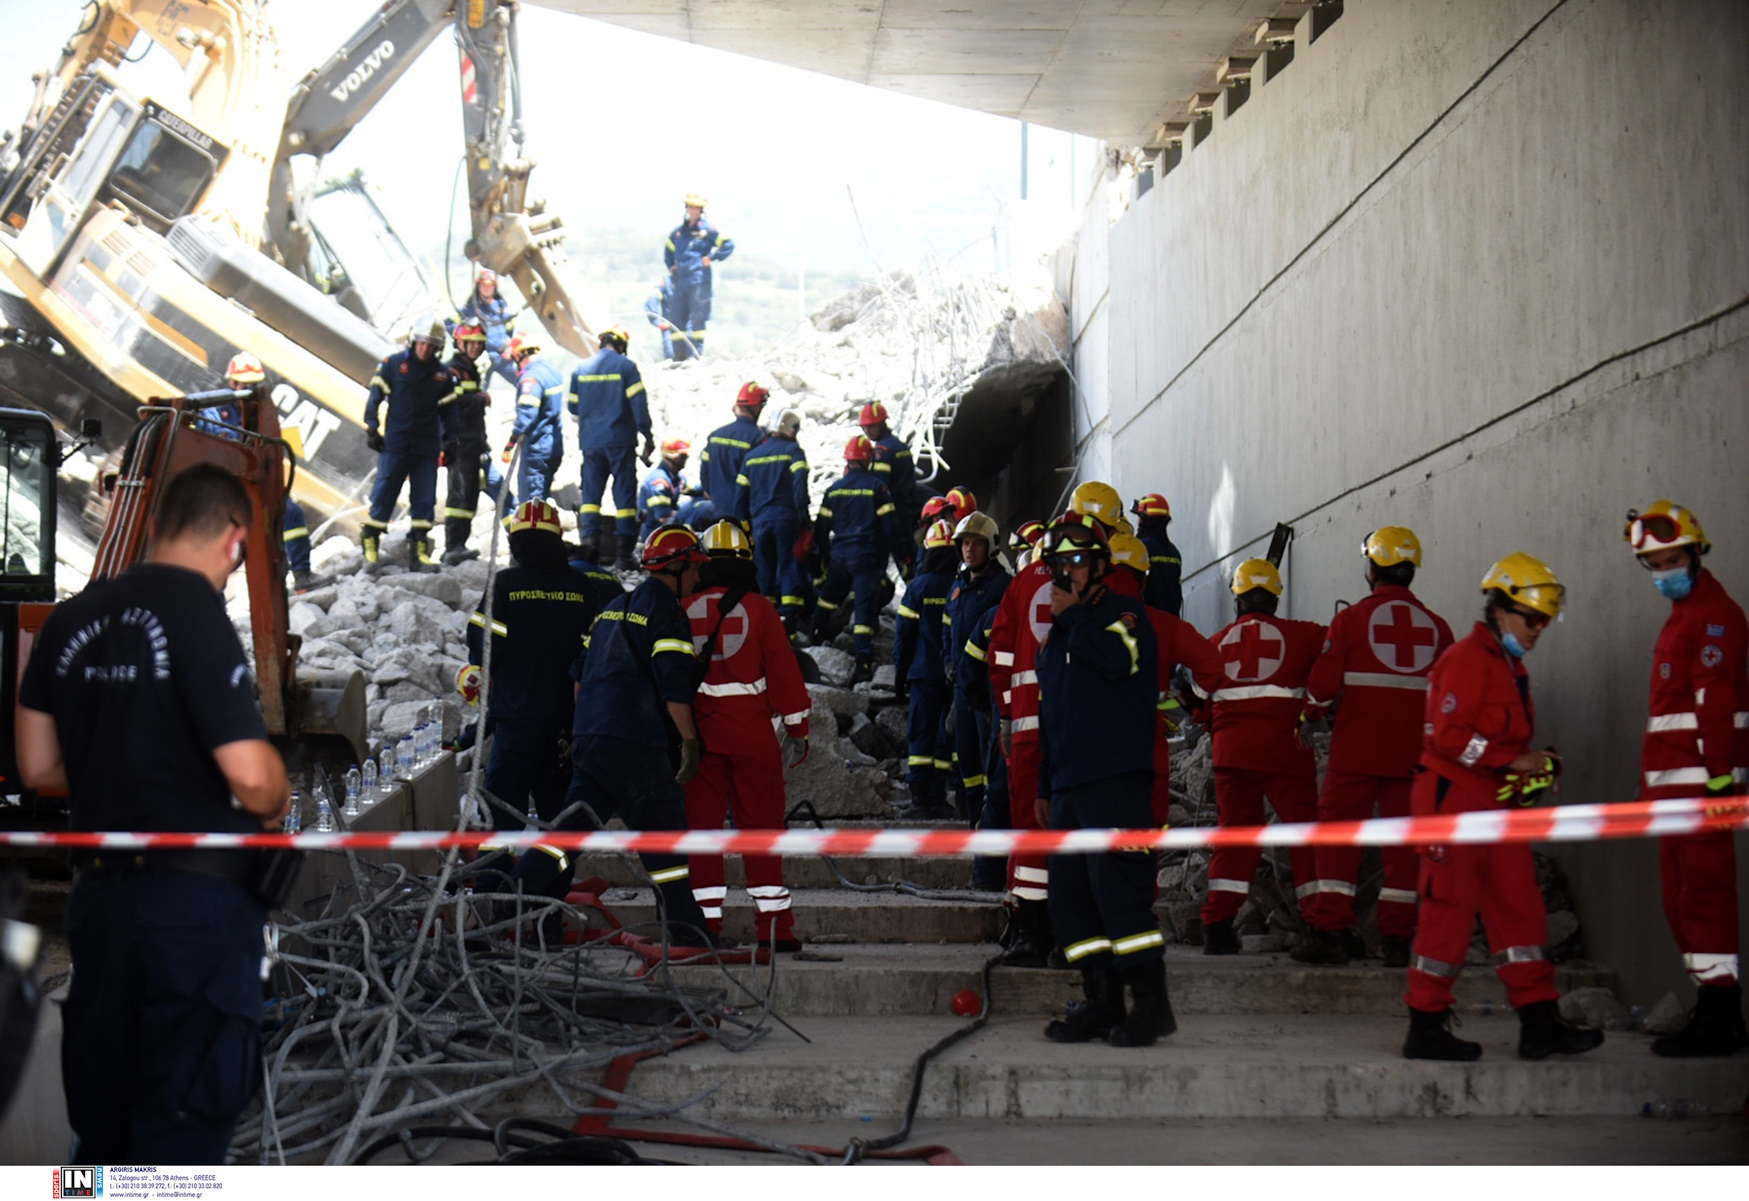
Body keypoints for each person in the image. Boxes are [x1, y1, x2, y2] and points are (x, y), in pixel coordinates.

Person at [16, 463, 292, 1162]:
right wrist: (273, 791)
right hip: (193, 915)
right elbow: (255, 782)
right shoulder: (197, 616)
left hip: (101, 902)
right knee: (178, 1130)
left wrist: (129, 752)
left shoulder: (70, 619)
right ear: (233, 539)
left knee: (103, 1129)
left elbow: (38, 767)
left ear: (159, 523)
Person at [1402, 553, 1604, 1062]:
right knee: (1447, 915)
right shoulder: (1467, 660)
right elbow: (1450, 739)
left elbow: (1492, 745)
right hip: (1453, 804)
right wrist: (1511, 761)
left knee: (1521, 911)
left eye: (1545, 621)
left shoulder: (1506, 665)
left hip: (1491, 805)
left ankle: (1539, 1023)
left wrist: (1528, 769)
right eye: (1532, 619)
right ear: (1501, 609)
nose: (1539, 630)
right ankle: (1425, 1027)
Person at [507, 525, 719, 947]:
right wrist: (690, 743)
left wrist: (586, 727)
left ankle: (506, 894)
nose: (698, 578)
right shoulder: (669, 614)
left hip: (592, 739)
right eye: (694, 569)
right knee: (665, 837)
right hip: (636, 743)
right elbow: (674, 687)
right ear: (676, 567)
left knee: (567, 835)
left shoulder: (611, 609)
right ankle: (686, 930)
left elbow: (579, 680)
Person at [1033, 511, 1173, 1047]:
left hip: (1115, 780)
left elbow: (1118, 662)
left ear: (1097, 566)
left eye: (1075, 562)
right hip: (1070, 785)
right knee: (1072, 901)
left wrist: (1072, 621)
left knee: (1121, 895)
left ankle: (1151, 1005)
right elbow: (1054, 712)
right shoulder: (1059, 636)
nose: (1065, 573)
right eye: (1057, 564)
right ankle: (1102, 1001)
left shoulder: (1124, 614)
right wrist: (1047, 782)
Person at [1293, 527, 1454, 968]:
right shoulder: (1439, 628)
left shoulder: (1351, 621)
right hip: (1414, 756)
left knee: (1338, 836)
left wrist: (1310, 715)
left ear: (1372, 568)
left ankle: (1329, 932)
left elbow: (1323, 685)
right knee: (1405, 844)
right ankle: (1398, 939)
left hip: (1356, 752)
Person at [1623, 501, 1748, 1056]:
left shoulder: (1715, 615)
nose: (1662, 571)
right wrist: (1649, 788)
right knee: (1681, 901)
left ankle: (1722, 1014)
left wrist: (1721, 778)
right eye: (1652, 564)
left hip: (1702, 789)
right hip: (1674, 792)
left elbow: (1714, 699)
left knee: (1704, 898)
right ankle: (1711, 1005)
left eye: (1670, 558)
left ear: (1696, 552)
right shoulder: (1685, 616)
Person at [683, 522, 812, 952]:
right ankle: (775, 929)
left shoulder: (681, 607)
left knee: (701, 832)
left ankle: (705, 928)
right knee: (761, 830)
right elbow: (784, 673)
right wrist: (798, 728)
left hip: (697, 739)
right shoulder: (760, 609)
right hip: (752, 737)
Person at [1193, 558, 1325, 955]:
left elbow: (1200, 707)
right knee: (1304, 837)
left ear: (1237, 599)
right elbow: (1339, 652)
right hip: (1286, 750)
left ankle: (1217, 926)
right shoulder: (1305, 636)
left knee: (1235, 838)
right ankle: (1320, 926)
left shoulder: (1215, 644)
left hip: (1232, 755)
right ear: (1275, 598)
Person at [463, 501, 603, 863]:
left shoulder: (505, 584)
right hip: (566, 727)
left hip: (517, 721)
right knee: (559, 823)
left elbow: (483, 648)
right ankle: (550, 903)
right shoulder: (582, 587)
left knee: (500, 817)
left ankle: (495, 898)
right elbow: (595, 657)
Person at [1106, 531, 1225, 828]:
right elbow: (1212, 665)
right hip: (1146, 750)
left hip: (1090, 754)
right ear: (1144, 581)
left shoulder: (1076, 621)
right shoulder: (1164, 625)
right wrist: (1193, 698)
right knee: (1143, 846)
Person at [362, 318, 459, 571]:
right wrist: (371, 426)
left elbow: (450, 412)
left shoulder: (443, 375)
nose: (425, 348)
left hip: (427, 447)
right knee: (384, 492)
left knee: (425, 499)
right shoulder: (393, 365)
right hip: (397, 443)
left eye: (432, 345)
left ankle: (418, 550)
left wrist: (451, 439)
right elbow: (375, 396)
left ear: (438, 348)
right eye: (423, 342)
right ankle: (371, 543)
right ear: (415, 340)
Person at [811, 435, 905, 682]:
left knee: (829, 599)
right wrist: (901, 555)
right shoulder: (878, 488)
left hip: (840, 557)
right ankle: (863, 662)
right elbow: (891, 528)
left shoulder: (834, 490)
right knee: (863, 610)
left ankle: (815, 634)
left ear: (848, 460)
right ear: (868, 460)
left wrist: (825, 557)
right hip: (867, 559)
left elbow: (821, 529)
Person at [220, 353, 314, 588]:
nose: (249, 389)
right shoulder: (217, 411)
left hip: (258, 482)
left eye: (253, 384)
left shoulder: (263, 412)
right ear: (232, 383)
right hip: (229, 488)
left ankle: (302, 576)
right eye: (244, 384)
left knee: (292, 513)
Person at [944, 511, 1010, 825]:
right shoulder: (957, 586)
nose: (969, 550)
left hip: (988, 689)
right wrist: (947, 662)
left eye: (976, 544)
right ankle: (973, 820)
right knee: (966, 758)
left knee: (990, 760)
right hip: (962, 687)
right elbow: (948, 627)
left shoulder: (1003, 587)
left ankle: (990, 824)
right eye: (965, 544)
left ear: (991, 546)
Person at [570, 325, 651, 572]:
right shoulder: (626, 367)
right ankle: (624, 556)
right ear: (622, 345)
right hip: (620, 442)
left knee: (591, 499)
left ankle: (589, 553)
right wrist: (648, 435)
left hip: (591, 443)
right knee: (625, 498)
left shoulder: (581, 369)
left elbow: (573, 409)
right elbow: (639, 408)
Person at [893, 518, 959, 821]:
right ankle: (939, 797)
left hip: (922, 674)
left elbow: (904, 635)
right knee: (946, 734)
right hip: (952, 675)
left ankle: (919, 799)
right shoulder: (961, 587)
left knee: (921, 733)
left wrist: (899, 672)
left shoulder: (918, 588)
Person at [734, 408, 810, 630]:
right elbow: (800, 485)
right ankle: (789, 622)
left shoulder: (751, 457)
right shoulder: (793, 451)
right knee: (788, 565)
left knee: (764, 568)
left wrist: (744, 526)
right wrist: (803, 517)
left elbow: (740, 498)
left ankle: (765, 621)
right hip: (786, 520)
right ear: (791, 429)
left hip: (759, 523)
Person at [440, 323, 492, 566]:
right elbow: (453, 403)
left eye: (479, 343)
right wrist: (479, 399)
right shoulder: (454, 370)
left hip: (472, 443)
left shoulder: (470, 370)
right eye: (470, 342)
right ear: (459, 343)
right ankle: (453, 547)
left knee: (470, 494)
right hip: (460, 443)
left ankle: (460, 545)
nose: (475, 347)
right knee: (459, 495)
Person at [663, 193, 734, 360]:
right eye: (690, 206)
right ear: (687, 209)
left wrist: (712, 257)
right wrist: (671, 266)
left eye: (696, 207)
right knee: (676, 318)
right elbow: (668, 251)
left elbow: (728, 244)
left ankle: (694, 355)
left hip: (699, 279)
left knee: (697, 318)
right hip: (680, 281)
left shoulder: (707, 231)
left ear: (701, 210)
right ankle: (678, 356)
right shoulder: (679, 233)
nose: (693, 210)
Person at [694, 382, 768, 528]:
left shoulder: (715, 436)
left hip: (718, 512)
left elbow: (704, 473)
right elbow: (762, 480)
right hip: (747, 516)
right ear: (755, 407)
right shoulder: (758, 438)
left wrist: (714, 495)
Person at [860, 403, 918, 561]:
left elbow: (878, 488)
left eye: (871, 426)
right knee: (911, 556)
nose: (867, 431)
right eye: (864, 427)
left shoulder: (882, 451)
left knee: (903, 560)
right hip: (908, 508)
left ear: (882, 423)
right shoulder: (901, 446)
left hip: (894, 514)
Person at [453, 266, 519, 391]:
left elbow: (513, 330)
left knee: (522, 381)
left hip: (502, 356)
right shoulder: (469, 309)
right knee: (477, 391)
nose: (486, 288)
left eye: (490, 285)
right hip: (480, 359)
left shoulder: (502, 307)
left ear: (495, 287)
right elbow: (453, 326)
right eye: (483, 285)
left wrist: (511, 348)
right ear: (478, 286)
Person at [1130, 493, 1183, 617]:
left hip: (1148, 623)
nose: (1138, 522)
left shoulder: (1140, 548)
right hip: (1172, 624)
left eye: (1140, 517)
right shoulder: (1174, 553)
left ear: (1145, 520)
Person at [637, 439, 697, 542]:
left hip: (665, 530)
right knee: (699, 509)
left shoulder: (675, 477)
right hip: (655, 535)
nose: (686, 458)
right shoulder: (659, 481)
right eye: (683, 456)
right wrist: (691, 513)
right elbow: (664, 517)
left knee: (700, 503)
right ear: (674, 457)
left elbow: (691, 489)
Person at [644, 276, 677, 361]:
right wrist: (657, 322)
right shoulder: (666, 283)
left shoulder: (694, 280)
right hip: (671, 332)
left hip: (690, 335)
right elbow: (651, 300)